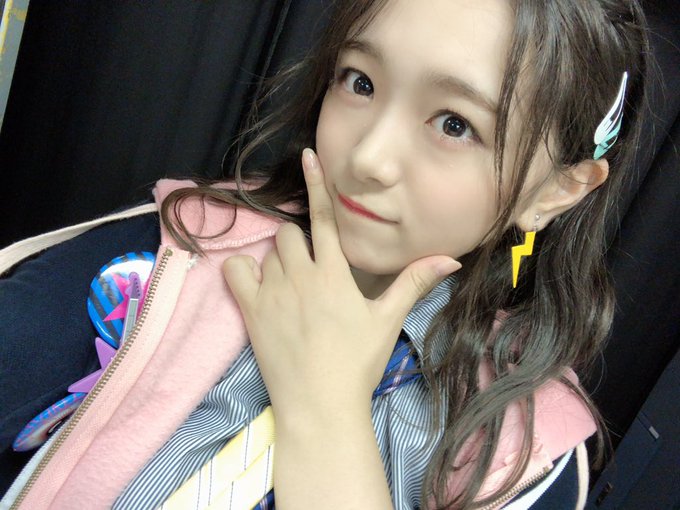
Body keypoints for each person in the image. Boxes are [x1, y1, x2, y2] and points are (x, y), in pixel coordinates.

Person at [0, 0, 649, 508]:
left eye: (455, 124)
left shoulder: (522, 446)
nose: (367, 157)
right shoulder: (186, 246)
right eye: (360, 81)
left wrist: (327, 409)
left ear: (557, 190)